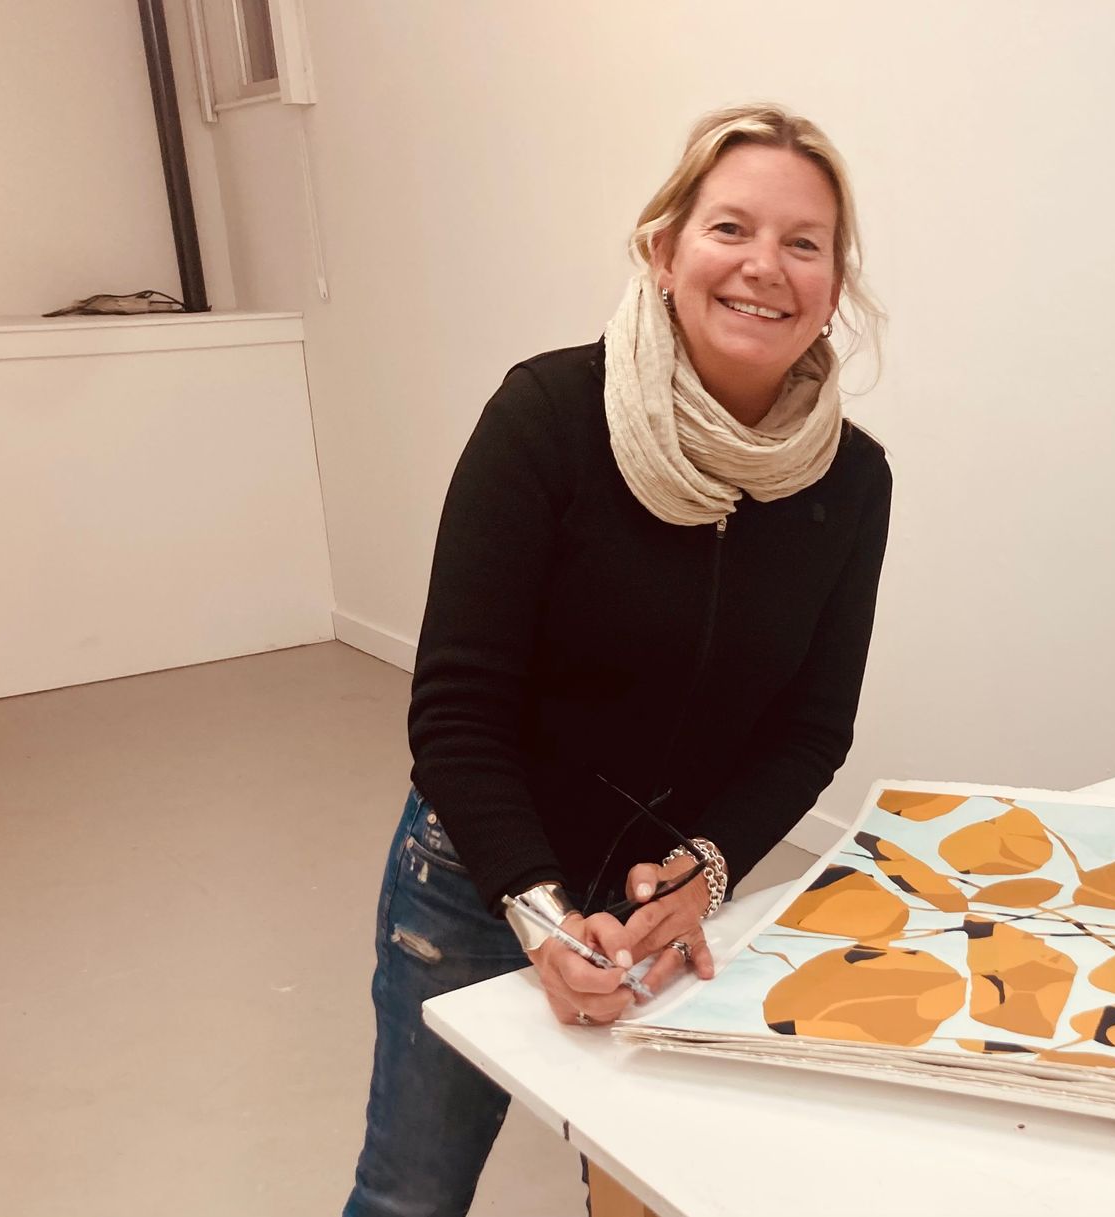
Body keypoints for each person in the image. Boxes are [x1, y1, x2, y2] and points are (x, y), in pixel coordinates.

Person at [344, 103, 892, 1217]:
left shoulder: (852, 481)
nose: (764, 267)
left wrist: (708, 871)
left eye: (804, 242)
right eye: (730, 227)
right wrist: (537, 909)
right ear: (665, 248)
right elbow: (456, 705)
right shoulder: (547, 414)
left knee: (648, 1192)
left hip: (668, 905)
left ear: (836, 279)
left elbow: (812, 726)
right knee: (411, 1194)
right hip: (474, 879)